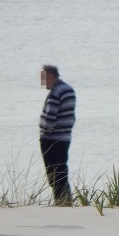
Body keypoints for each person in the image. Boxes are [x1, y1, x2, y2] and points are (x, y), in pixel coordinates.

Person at [39, 65, 76, 206]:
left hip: (51, 138)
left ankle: (61, 201)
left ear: (51, 76)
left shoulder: (56, 92)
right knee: (61, 170)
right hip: (65, 137)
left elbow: (50, 117)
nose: (43, 82)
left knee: (54, 174)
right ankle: (66, 200)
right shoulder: (68, 89)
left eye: (44, 78)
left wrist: (43, 129)